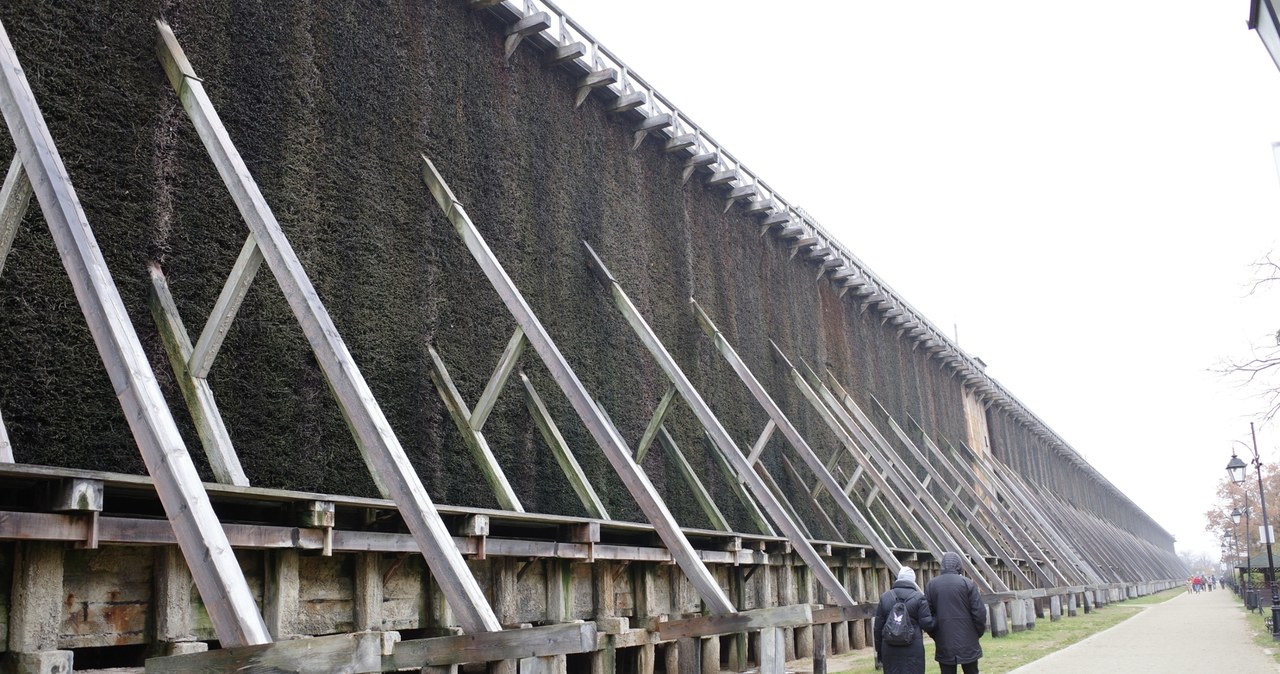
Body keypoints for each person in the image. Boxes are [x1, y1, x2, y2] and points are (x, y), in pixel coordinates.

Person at [926, 552, 987, 674]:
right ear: (959, 565)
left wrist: (936, 634)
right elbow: (979, 612)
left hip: (944, 639)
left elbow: (927, 615)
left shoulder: (932, 585)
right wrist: (977, 633)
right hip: (968, 639)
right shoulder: (967, 583)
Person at [874, 566, 935, 674]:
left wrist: (879, 650)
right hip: (912, 647)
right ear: (912, 580)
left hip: (889, 647)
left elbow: (878, 628)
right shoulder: (919, 598)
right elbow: (927, 625)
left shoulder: (885, 597)